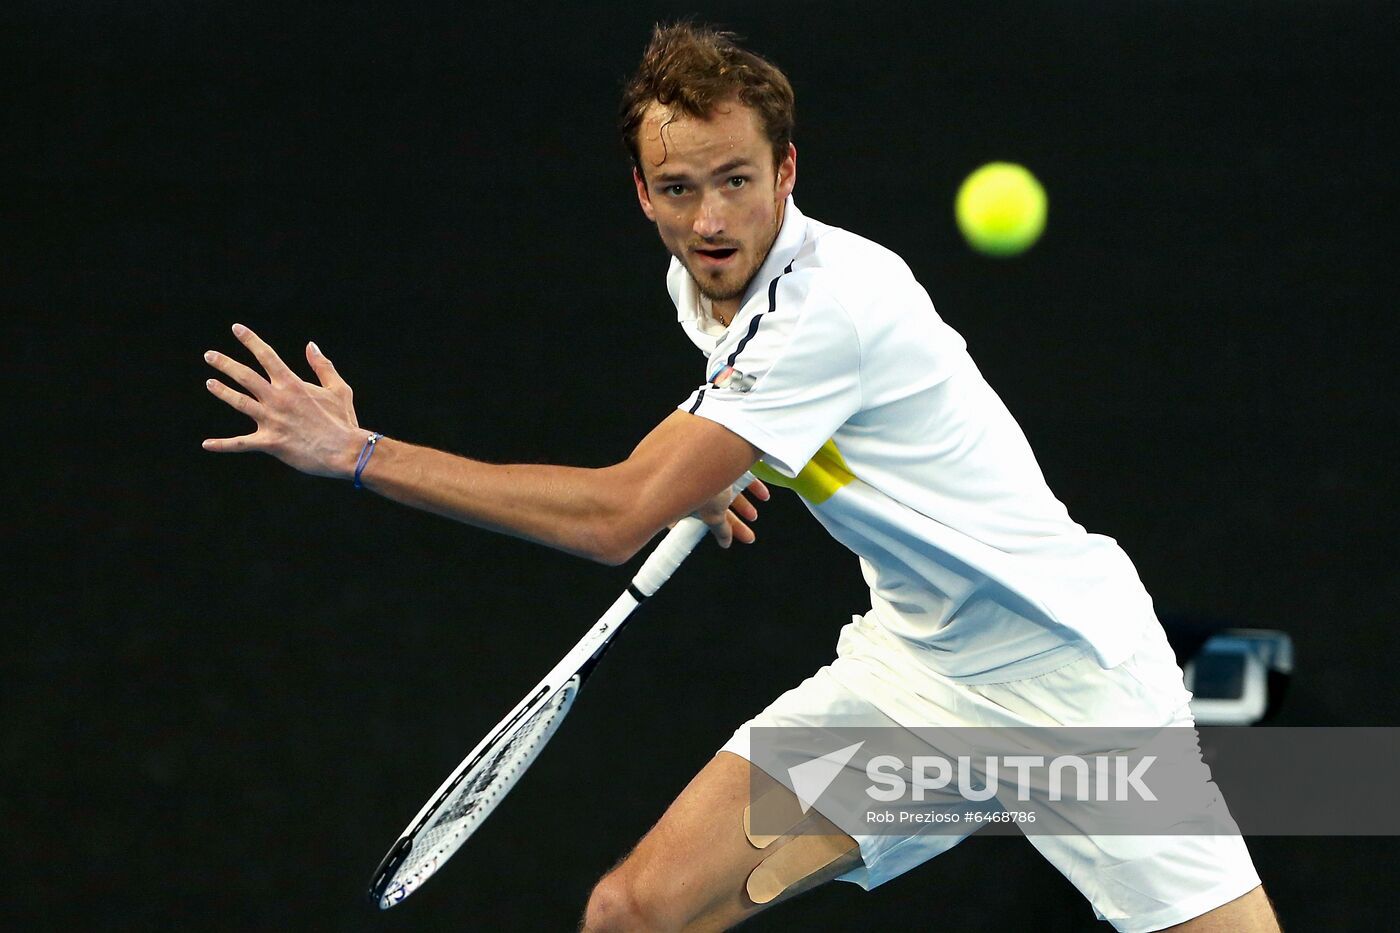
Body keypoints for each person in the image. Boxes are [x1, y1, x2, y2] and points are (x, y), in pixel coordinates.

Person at [203, 22, 1278, 933]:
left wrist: (357, 455)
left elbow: (615, 517)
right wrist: (730, 459)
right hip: (915, 682)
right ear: (640, 192)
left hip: (1071, 683)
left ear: (786, 173)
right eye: (679, 188)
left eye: (735, 182)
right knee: (634, 913)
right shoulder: (701, 285)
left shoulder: (829, 304)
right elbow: (756, 414)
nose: (710, 219)